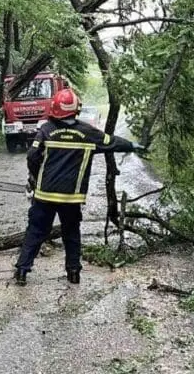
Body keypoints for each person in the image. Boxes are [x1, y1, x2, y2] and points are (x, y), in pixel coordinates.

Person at [14, 88, 144, 286]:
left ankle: (22, 271)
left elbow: (32, 156)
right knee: (71, 233)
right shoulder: (87, 132)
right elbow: (113, 142)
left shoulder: (46, 130)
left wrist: (34, 177)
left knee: (36, 231)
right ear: (76, 109)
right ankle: (73, 273)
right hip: (71, 197)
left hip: (45, 194)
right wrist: (133, 145)